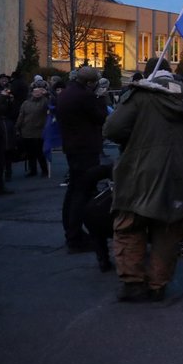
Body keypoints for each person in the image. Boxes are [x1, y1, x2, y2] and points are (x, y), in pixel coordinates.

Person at [103, 58, 183, 302]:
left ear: (149, 74)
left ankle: (133, 283)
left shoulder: (140, 95)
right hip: (180, 173)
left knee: (130, 225)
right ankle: (158, 284)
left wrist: (135, 137)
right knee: (167, 230)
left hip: (140, 172)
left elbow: (112, 129)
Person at [56, 66, 108, 252]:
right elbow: (101, 117)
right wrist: (101, 97)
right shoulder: (85, 97)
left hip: (72, 147)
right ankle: (75, 237)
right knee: (82, 193)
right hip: (85, 148)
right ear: (90, 82)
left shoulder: (66, 94)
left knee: (74, 191)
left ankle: (71, 232)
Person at [16, 84, 50, 178]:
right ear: (31, 93)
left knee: (40, 152)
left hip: (39, 131)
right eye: (35, 91)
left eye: (39, 91)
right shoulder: (26, 103)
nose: (37, 93)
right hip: (26, 130)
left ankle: (44, 170)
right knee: (30, 153)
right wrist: (17, 126)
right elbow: (21, 115)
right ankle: (33, 170)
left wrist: (46, 94)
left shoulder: (44, 101)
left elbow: (50, 105)